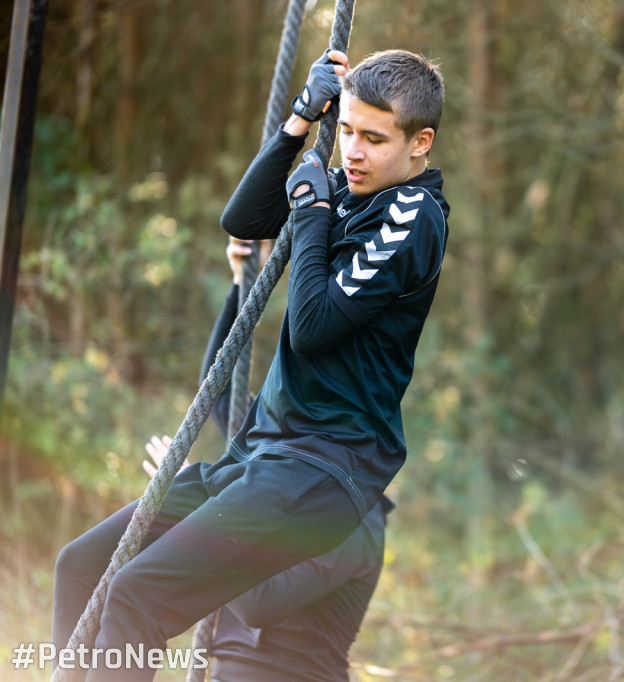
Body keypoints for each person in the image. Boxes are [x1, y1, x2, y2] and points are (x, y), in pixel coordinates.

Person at [52, 47, 447, 682]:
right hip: (261, 456)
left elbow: (313, 325)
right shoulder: (351, 186)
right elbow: (244, 219)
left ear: (420, 141)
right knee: (83, 564)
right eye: (344, 130)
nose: (351, 151)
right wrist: (298, 123)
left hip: (323, 469)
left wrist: (315, 213)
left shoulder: (413, 217)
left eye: (374, 138)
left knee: (137, 596)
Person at [139, 237, 393, 682]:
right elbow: (219, 391)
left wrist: (197, 506)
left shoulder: (359, 517)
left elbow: (260, 604)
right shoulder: (282, 456)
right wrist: (243, 284)